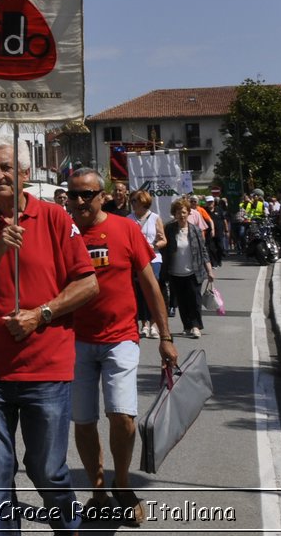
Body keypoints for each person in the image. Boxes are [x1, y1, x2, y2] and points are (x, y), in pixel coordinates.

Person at [0, 139, 98, 536]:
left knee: (48, 471)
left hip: (46, 371)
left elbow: (88, 284)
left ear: (23, 173)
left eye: (6, 167)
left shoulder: (54, 217)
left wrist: (41, 314)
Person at [66, 169, 177, 526]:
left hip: (120, 338)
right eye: (73, 195)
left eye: (87, 194)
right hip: (75, 341)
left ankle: (123, 483)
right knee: (83, 421)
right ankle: (98, 491)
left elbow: (150, 286)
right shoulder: (63, 233)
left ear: (103, 196)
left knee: (123, 416)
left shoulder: (126, 229)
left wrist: (165, 336)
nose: (79, 201)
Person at [162, 201, 211, 339]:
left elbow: (203, 250)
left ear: (188, 213)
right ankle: (187, 326)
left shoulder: (195, 230)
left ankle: (196, 326)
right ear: (174, 214)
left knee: (195, 299)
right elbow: (164, 248)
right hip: (175, 271)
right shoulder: (170, 229)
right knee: (182, 301)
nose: (181, 215)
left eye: (184, 212)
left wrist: (209, 270)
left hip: (193, 270)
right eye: (178, 212)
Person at [130, 190, 166, 339]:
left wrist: (153, 246)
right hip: (135, 261)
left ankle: (154, 324)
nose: (132, 204)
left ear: (143, 202)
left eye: (134, 201)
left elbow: (164, 240)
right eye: (131, 201)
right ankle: (143, 323)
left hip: (153, 259)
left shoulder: (155, 218)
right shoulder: (128, 219)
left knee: (152, 291)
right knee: (139, 292)